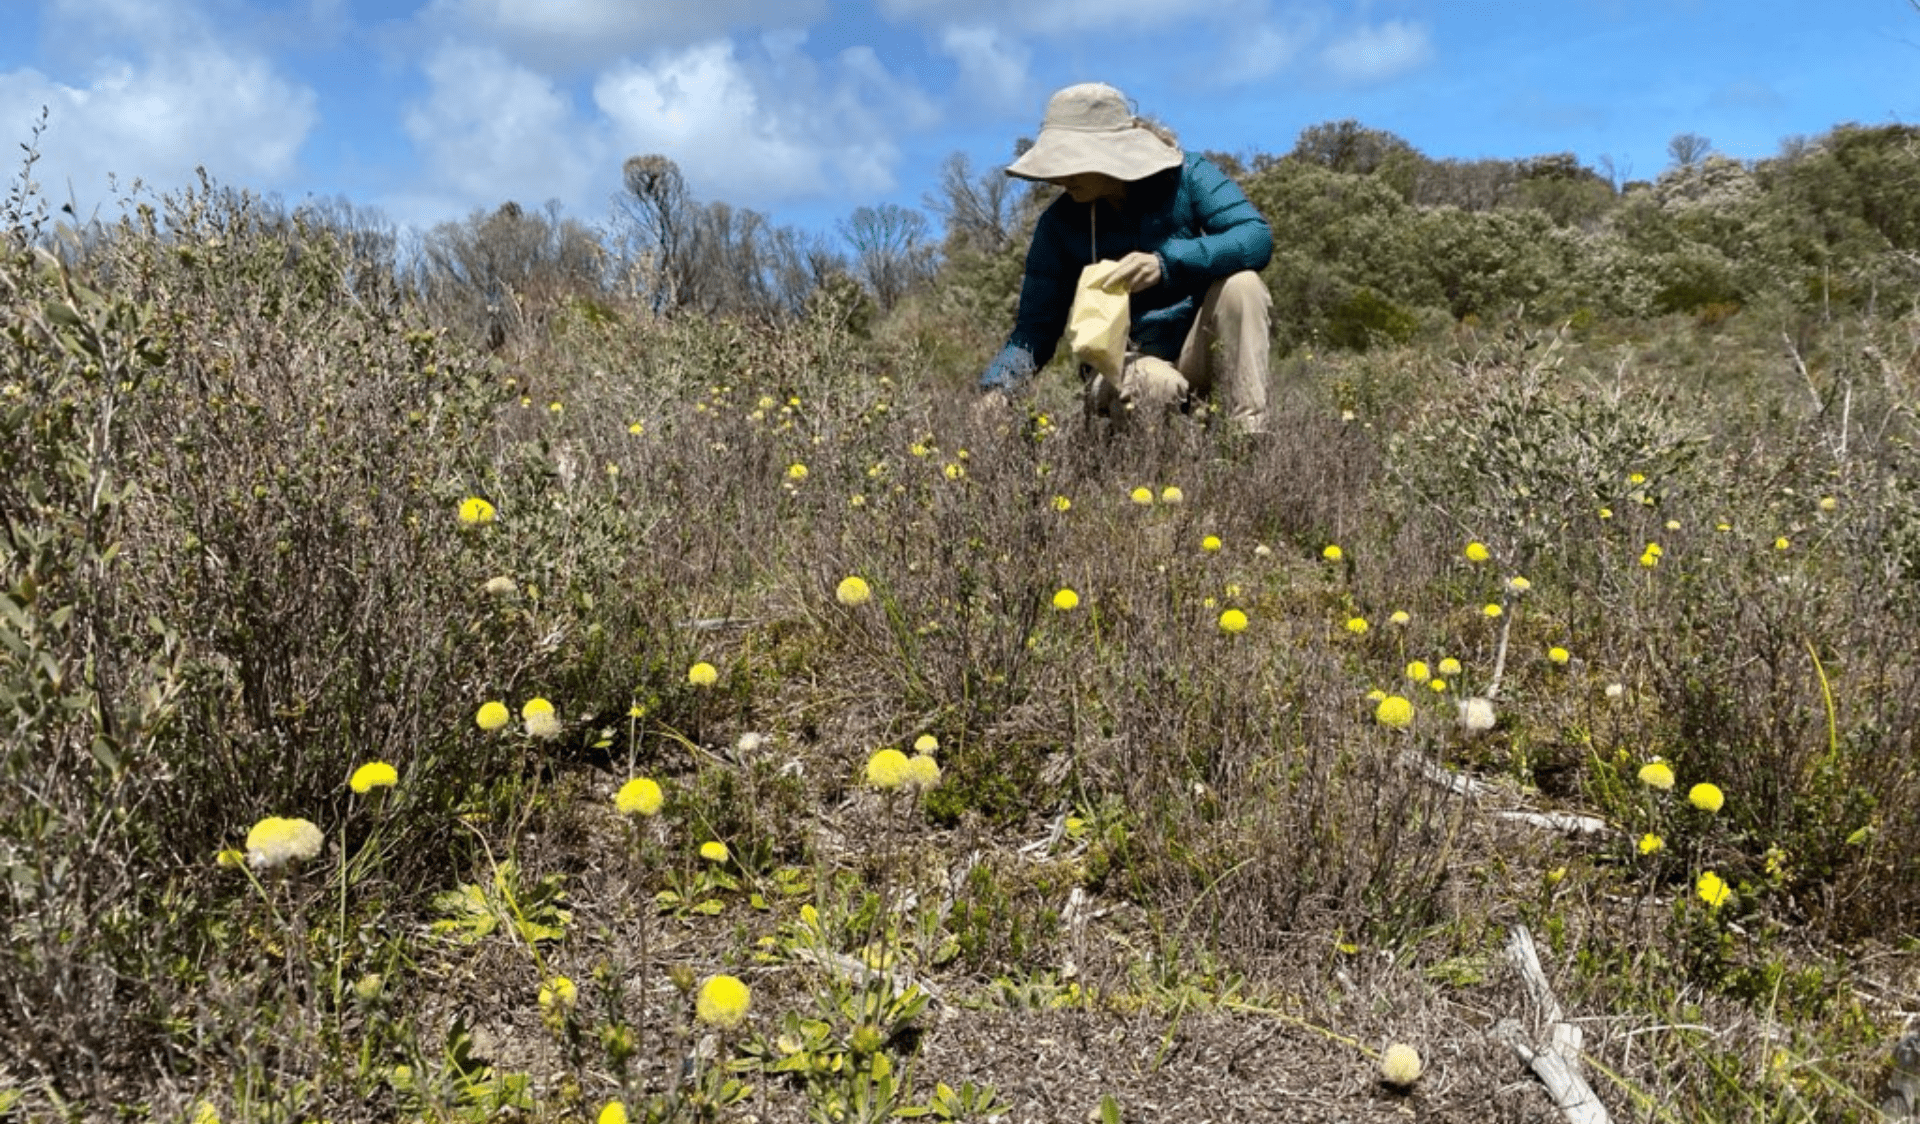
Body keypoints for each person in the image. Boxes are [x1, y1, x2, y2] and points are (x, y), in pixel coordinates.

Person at [979, 82, 1274, 434]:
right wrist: (999, 389)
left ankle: (1246, 443)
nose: (1060, 177)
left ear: (1109, 153)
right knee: (1155, 384)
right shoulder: (1058, 225)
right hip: (1127, 362)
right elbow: (1035, 328)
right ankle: (1155, 472)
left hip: (1197, 346)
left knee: (1243, 286)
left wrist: (1164, 264)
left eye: (1071, 161)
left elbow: (1255, 236)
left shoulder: (1188, 176)